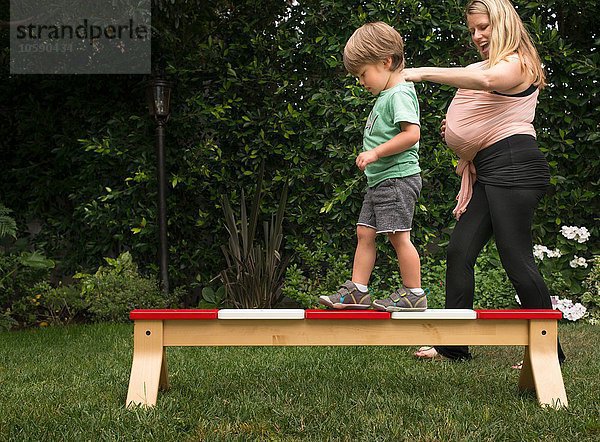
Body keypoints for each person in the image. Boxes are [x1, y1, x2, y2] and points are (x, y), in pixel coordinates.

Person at [404, 0, 565, 362]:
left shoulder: (519, 62)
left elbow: (490, 81)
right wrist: (460, 132)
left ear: (504, 22)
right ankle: (454, 346)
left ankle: (549, 352)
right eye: (473, 30)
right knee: (459, 251)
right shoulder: (496, 62)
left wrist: (420, 72)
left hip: (514, 168)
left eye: (484, 27)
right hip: (493, 168)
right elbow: (485, 103)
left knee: (516, 259)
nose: (478, 36)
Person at [319, 22, 427, 312]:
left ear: (386, 62)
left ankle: (413, 292)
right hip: (380, 180)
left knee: (398, 235)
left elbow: (412, 134)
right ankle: (358, 290)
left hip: (397, 178)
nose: (360, 81)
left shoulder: (399, 94)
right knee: (364, 232)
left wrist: (375, 153)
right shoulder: (386, 96)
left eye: (363, 73)